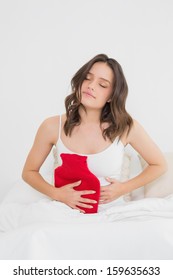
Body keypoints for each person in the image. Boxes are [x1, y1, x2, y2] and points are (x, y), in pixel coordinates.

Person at [22, 53, 167, 213]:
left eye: (102, 85)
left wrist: (123, 188)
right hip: (65, 213)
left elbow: (159, 165)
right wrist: (57, 193)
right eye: (87, 78)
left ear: (112, 96)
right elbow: (29, 172)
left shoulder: (126, 126)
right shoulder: (51, 126)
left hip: (111, 214)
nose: (91, 86)